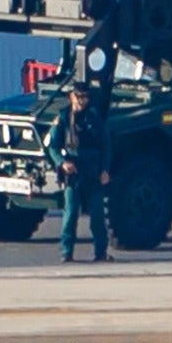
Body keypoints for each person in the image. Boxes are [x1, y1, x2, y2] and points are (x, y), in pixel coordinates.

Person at [50, 83, 112, 263]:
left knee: (98, 215)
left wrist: (105, 170)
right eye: (78, 97)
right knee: (70, 214)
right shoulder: (63, 117)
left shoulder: (94, 118)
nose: (82, 101)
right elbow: (53, 146)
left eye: (85, 97)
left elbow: (106, 146)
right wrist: (62, 163)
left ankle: (101, 252)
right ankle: (66, 252)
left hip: (93, 171)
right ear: (71, 97)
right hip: (74, 172)